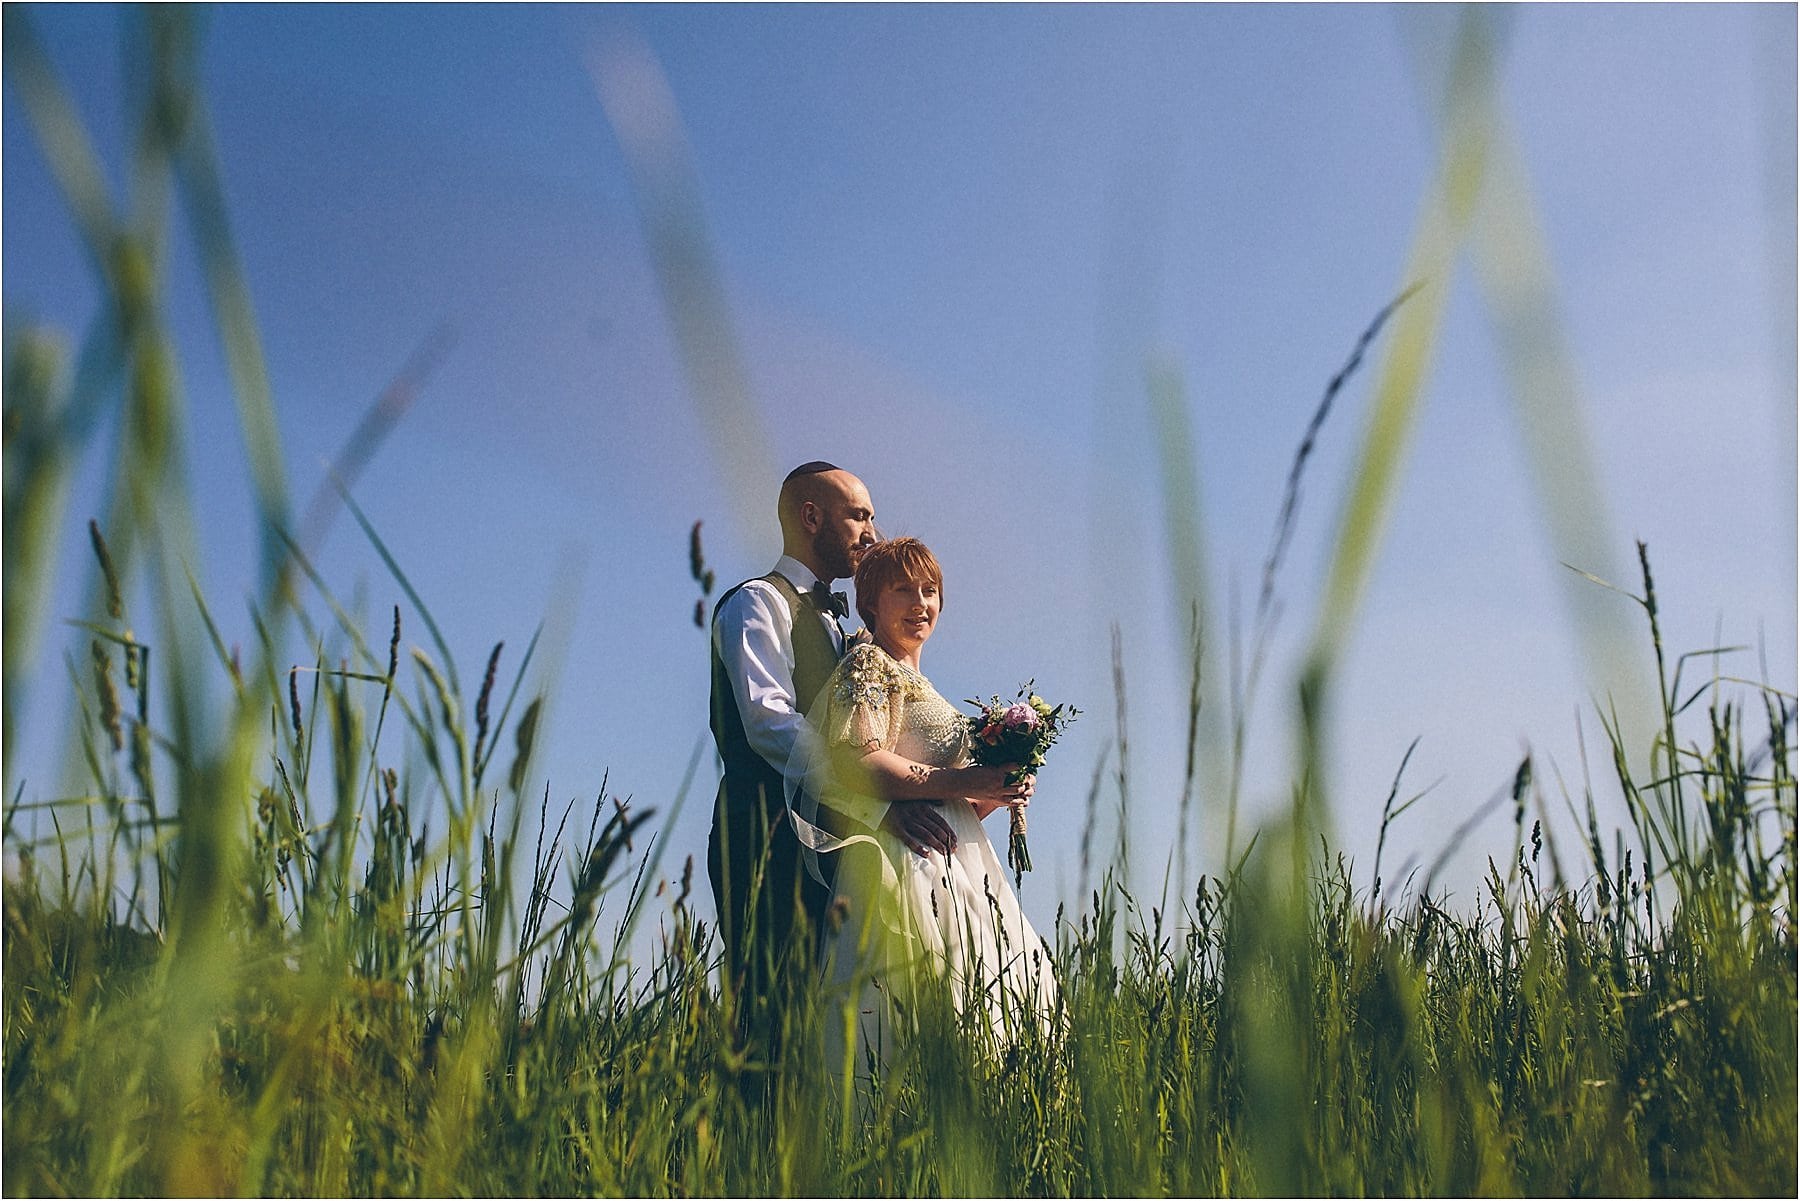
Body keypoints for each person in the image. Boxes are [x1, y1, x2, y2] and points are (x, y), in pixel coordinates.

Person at [790, 537, 1060, 1068]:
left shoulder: (924, 684)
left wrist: (995, 791)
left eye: (929, 591)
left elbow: (953, 805)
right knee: (921, 1008)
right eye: (902, 590)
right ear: (870, 604)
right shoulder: (869, 666)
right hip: (905, 863)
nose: (920, 603)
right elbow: (861, 762)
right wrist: (968, 779)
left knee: (990, 1006)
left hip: (958, 862)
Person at [707, 461, 880, 1013]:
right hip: (763, 838)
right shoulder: (757, 602)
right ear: (811, 517)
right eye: (858, 516)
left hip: (835, 841)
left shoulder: (839, 627)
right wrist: (873, 795)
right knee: (767, 1011)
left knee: (826, 1018)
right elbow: (769, 723)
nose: (872, 533)